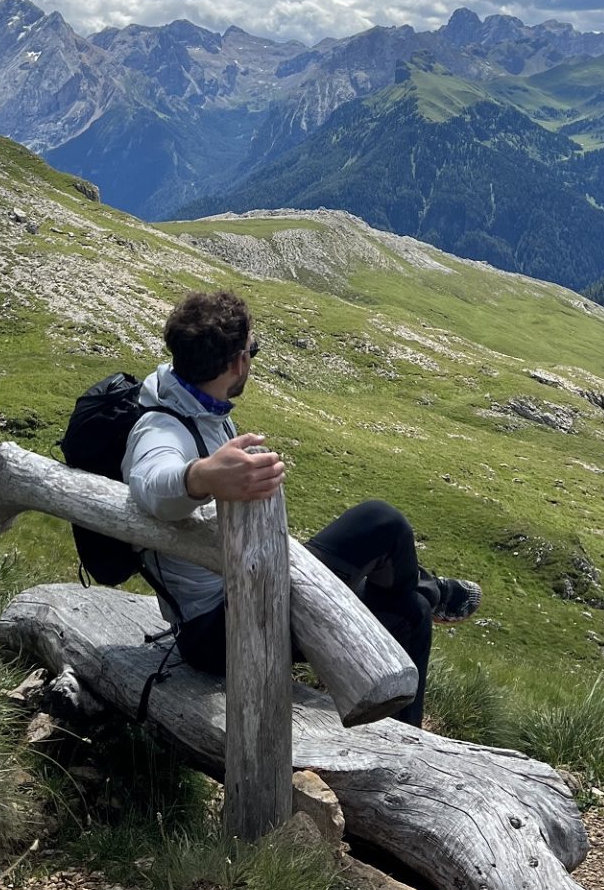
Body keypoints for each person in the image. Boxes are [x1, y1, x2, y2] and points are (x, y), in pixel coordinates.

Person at [123, 288, 481, 726]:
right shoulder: (162, 427)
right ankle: (429, 588)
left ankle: (405, 746)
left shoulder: (196, 406)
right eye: (252, 350)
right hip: (219, 630)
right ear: (237, 362)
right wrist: (202, 477)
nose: (252, 359)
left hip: (249, 587)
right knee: (381, 521)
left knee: (410, 614)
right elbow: (151, 484)